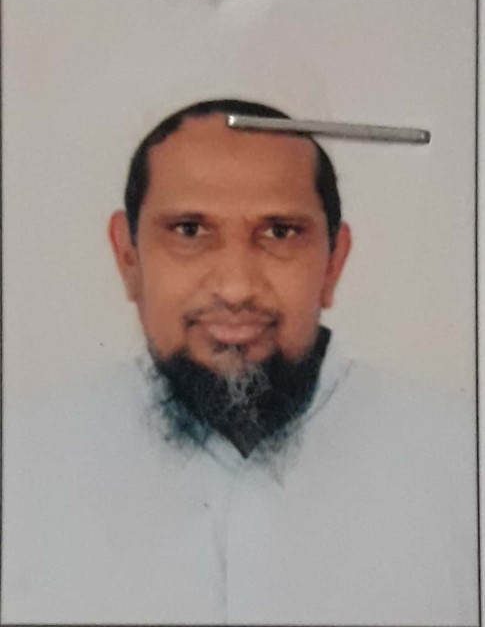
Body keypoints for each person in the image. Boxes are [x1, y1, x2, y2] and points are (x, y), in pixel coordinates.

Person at [3, 99, 478, 625]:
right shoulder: (23, 468)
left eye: (280, 232)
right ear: (128, 258)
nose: (235, 288)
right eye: (189, 230)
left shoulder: (460, 467)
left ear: (333, 262)